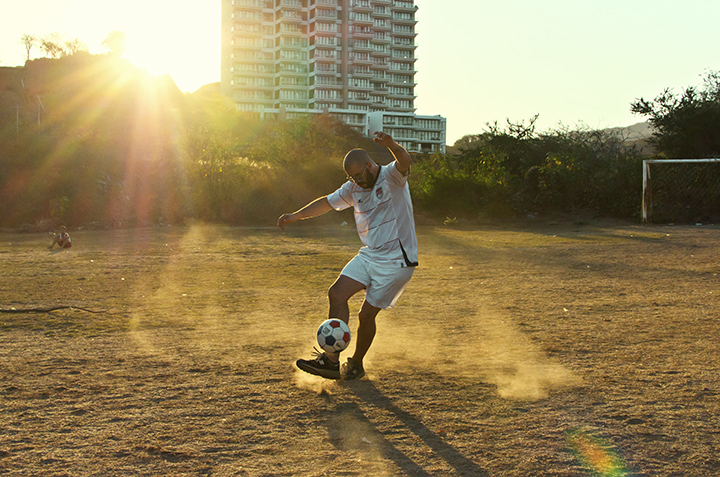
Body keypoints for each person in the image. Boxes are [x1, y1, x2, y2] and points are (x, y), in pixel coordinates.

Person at [277, 131, 418, 380]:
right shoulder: (353, 188)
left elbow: (405, 161)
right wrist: (296, 215)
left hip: (397, 260)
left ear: (369, 165)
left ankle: (356, 364)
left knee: (366, 315)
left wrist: (391, 145)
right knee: (336, 293)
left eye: (359, 175)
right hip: (370, 255)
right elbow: (326, 202)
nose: (356, 181)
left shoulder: (391, 176)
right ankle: (331, 362)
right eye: (352, 178)